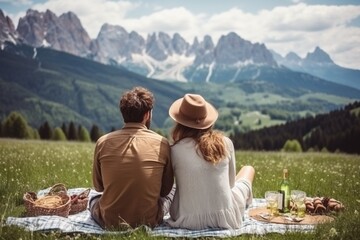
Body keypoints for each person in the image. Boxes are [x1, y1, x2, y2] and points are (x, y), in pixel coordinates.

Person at [89, 86, 174, 230]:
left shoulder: (103, 142)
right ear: (147, 115)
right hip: (148, 220)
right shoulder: (162, 143)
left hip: (109, 221)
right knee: (172, 191)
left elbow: (99, 187)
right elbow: (165, 191)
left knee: (93, 199)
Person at [166, 93, 255, 230]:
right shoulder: (225, 143)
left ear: (179, 122)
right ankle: (247, 202)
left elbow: (168, 187)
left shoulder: (174, 150)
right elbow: (231, 184)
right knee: (248, 169)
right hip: (226, 218)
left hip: (187, 219)